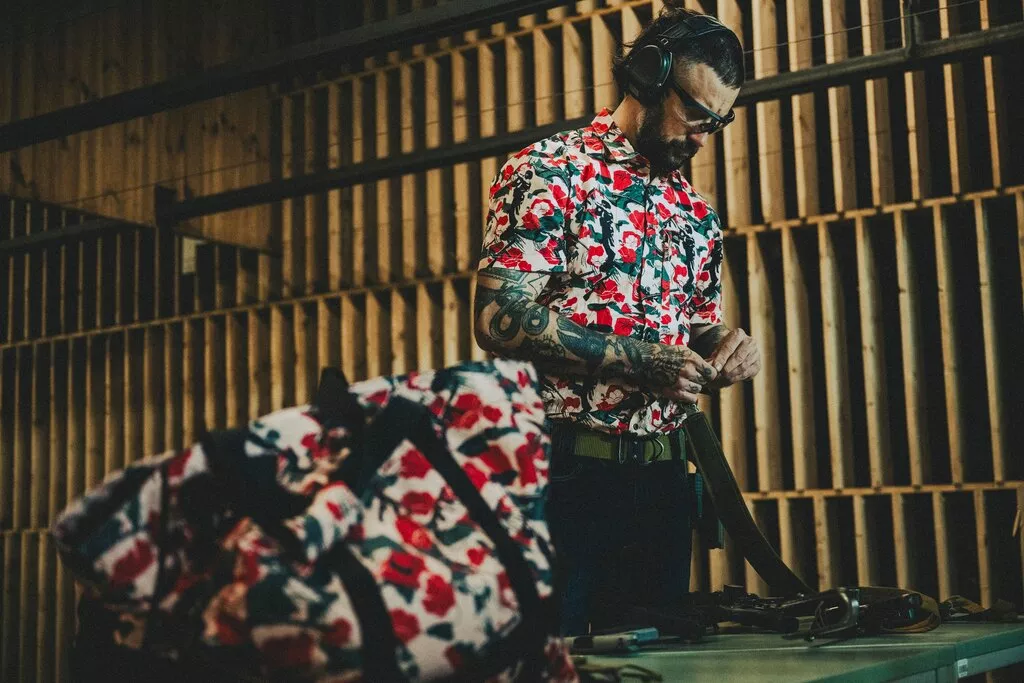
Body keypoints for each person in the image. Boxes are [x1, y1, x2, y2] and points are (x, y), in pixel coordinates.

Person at [473, 4, 762, 636]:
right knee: (555, 661)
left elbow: (694, 327)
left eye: (718, 124)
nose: (703, 139)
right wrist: (642, 360)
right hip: (565, 477)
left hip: (664, 481)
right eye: (696, 116)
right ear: (647, 77)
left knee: (657, 666)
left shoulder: (696, 214)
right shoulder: (549, 171)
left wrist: (726, 345)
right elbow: (498, 316)